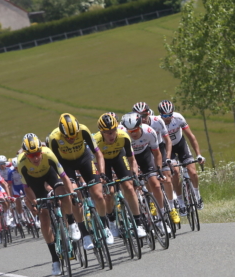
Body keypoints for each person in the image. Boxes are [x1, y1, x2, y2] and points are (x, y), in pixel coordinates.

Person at [47, 113, 111, 246]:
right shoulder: (54, 138)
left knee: (99, 195)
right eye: (68, 137)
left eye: (74, 136)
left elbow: (97, 153)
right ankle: (84, 232)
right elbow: (55, 164)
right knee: (74, 194)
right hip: (66, 165)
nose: (71, 139)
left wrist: (102, 173)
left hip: (84, 160)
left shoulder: (83, 130)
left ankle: (105, 226)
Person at [17, 133, 76, 276]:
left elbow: (64, 177)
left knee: (64, 194)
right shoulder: (22, 163)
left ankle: (71, 222)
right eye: (31, 156)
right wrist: (34, 202)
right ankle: (55, 260)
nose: (36, 158)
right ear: (26, 155)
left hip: (50, 175)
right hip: (34, 183)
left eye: (37, 154)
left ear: (41, 150)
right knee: (44, 218)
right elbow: (27, 189)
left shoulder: (49, 154)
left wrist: (71, 193)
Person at [94, 113, 147, 242]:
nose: (111, 135)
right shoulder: (96, 140)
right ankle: (111, 221)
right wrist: (100, 177)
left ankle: (138, 223)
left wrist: (134, 174)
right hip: (103, 162)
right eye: (107, 133)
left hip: (119, 158)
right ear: (101, 132)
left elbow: (132, 159)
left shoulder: (123, 136)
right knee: (109, 192)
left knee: (129, 187)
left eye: (113, 131)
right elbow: (91, 162)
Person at [133, 102, 180, 224]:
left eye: (144, 115)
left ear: (149, 113)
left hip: (159, 147)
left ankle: (171, 208)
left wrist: (168, 158)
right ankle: (153, 201)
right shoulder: (133, 126)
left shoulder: (157, 121)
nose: (142, 119)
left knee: (166, 177)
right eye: (139, 116)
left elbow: (167, 141)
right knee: (149, 177)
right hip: (144, 150)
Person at [158, 100, 205, 211]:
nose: (168, 117)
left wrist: (199, 155)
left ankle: (197, 196)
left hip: (181, 145)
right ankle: (180, 202)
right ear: (160, 114)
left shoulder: (178, 118)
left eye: (170, 114)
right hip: (168, 149)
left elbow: (191, 137)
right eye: (165, 115)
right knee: (176, 173)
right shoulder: (158, 123)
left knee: (193, 172)